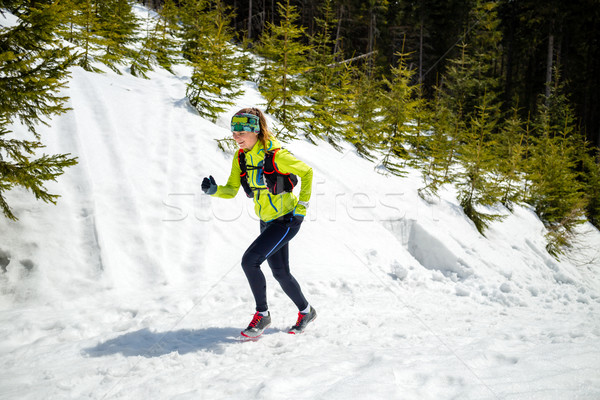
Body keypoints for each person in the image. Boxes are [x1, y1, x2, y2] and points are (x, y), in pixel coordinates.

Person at [202, 107, 316, 338]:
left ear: (255, 130)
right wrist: (214, 190)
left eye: (241, 132)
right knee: (281, 273)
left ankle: (262, 315)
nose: (235, 136)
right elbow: (232, 189)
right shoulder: (241, 157)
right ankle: (307, 312)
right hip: (266, 220)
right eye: (233, 131)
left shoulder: (276, 155)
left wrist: (301, 209)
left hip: (286, 220)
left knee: (250, 261)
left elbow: (307, 172)